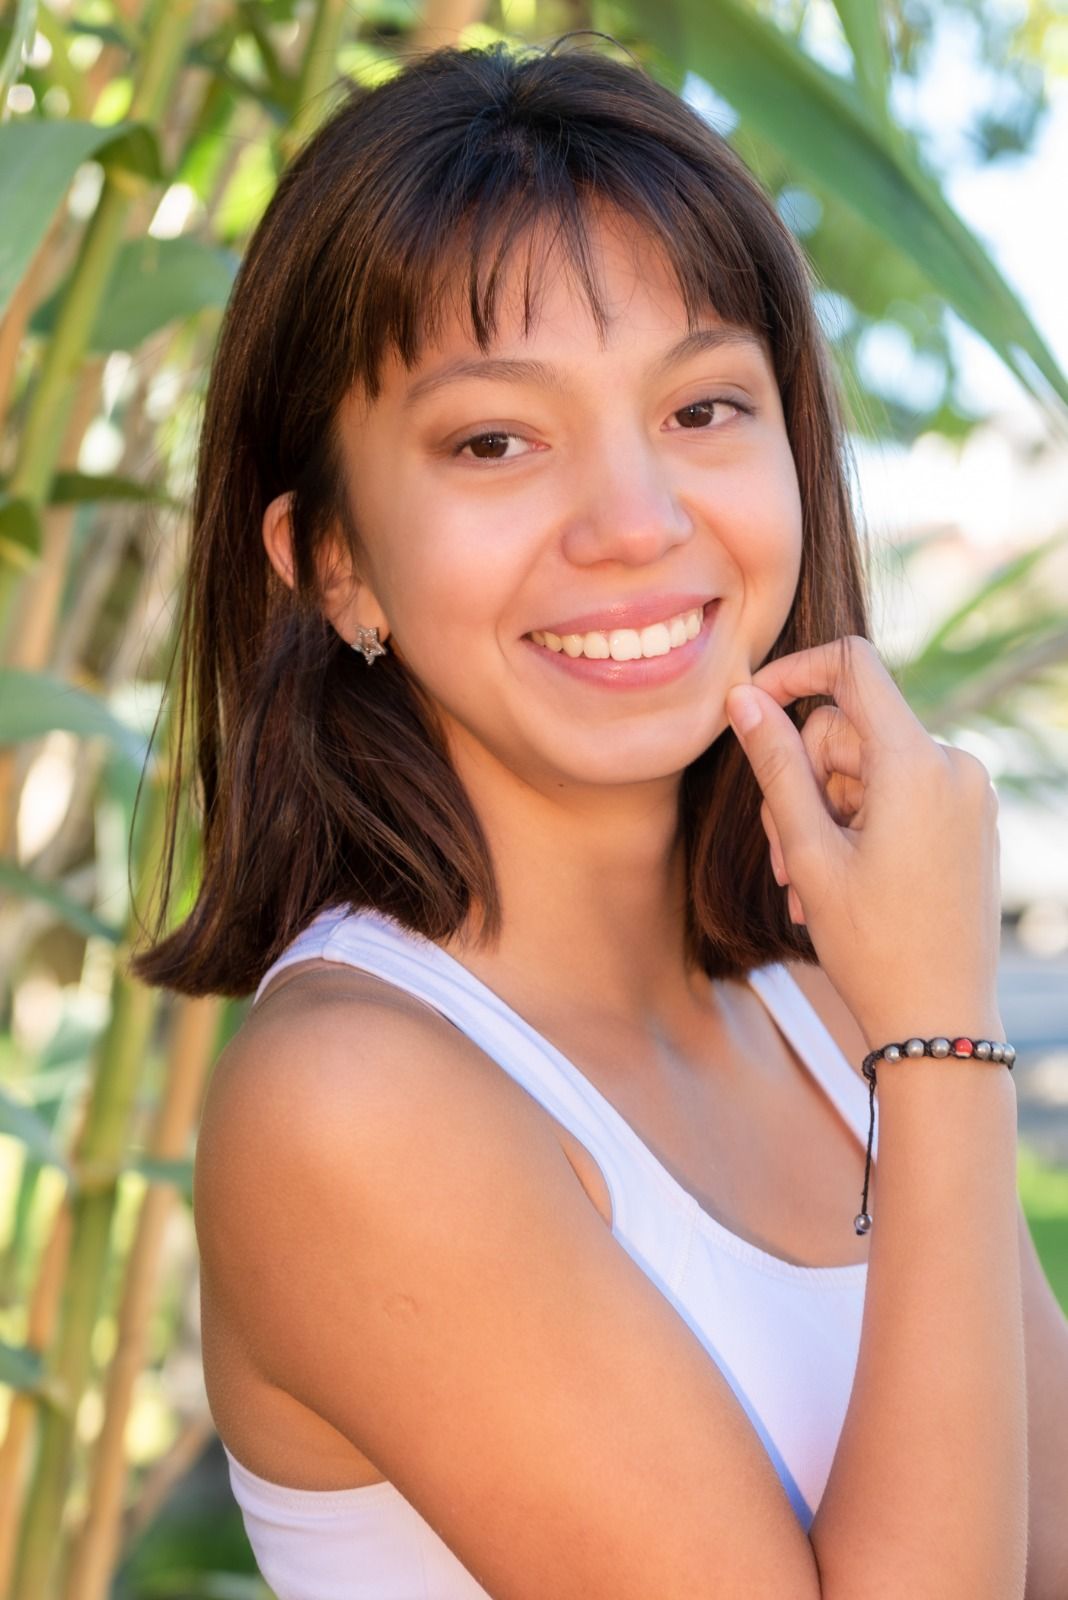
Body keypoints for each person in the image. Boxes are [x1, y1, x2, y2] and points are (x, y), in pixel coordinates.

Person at [131, 36, 1036, 1599]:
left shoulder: (826, 997)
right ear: (333, 561)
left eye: (702, 409)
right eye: (497, 440)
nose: (636, 523)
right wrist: (945, 1040)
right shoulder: (354, 1102)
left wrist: (906, 1011)